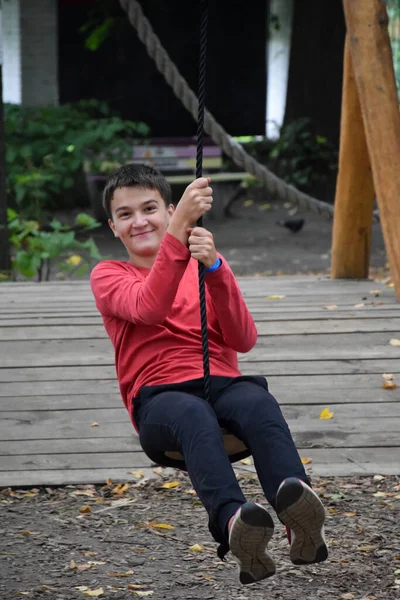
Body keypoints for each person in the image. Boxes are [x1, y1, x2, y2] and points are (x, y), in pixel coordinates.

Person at [90, 163, 328, 585]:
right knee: (191, 413)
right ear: (113, 227)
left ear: (166, 210)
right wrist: (179, 231)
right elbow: (149, 306)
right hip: (161, 401)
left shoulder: (204, 263)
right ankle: (235, 522)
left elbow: (244, 337)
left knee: (256, 401)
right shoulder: (110, 275)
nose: (139, 221)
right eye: (125, 214)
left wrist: (216, 269)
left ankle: (297, 512)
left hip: (220, 384)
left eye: (150, 209)